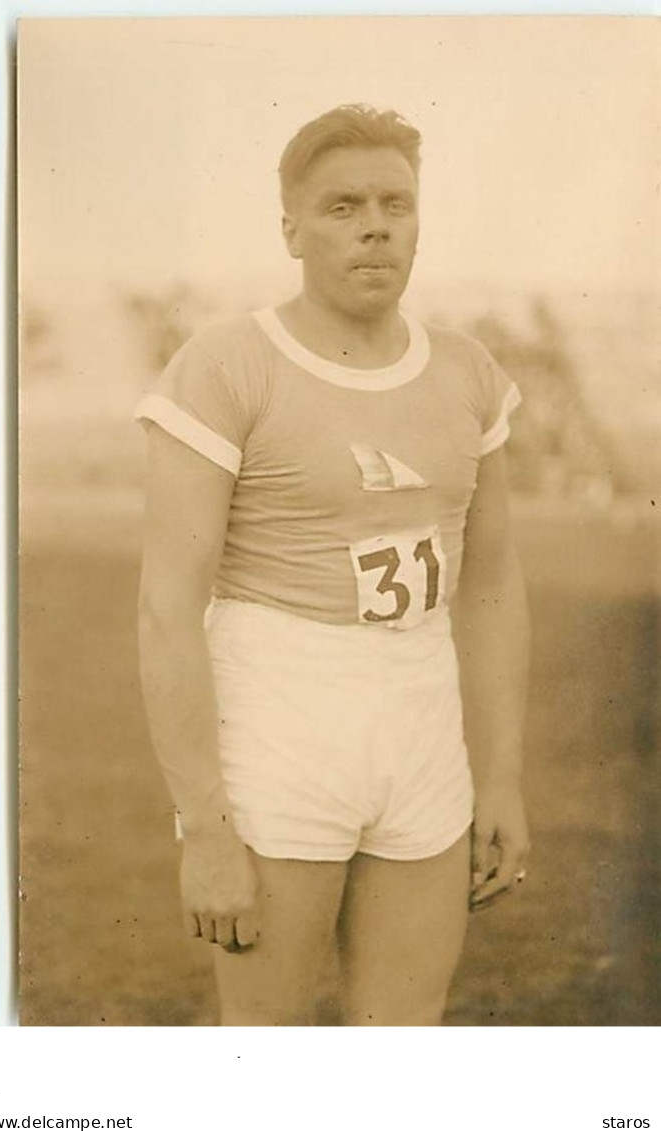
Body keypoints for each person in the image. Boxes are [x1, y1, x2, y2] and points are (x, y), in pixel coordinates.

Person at [135, 103, 530, 1026]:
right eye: (343, 205)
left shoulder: (469, 372)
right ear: (292, 229)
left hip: (421, 725)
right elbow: (166, 609)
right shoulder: (228, 367)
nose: (375, 225)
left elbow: (494, 585)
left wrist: (502, 775)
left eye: (396, 202)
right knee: (264, 1049)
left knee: (400, 1044)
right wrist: (203, 825)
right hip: (280, 721)